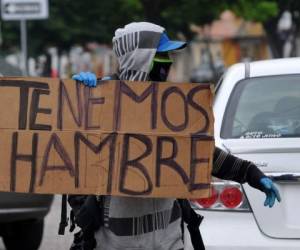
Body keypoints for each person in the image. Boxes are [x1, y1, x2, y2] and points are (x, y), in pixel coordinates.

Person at [72, 22, 281, 250]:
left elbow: (200, 154)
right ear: (141, 57)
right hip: (114, 243)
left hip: (168, 240)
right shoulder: (100, 100)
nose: (168, 62)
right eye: (162, 55)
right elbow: (67, 160)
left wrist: (251, 173)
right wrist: (78, 98)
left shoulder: (172, 107)